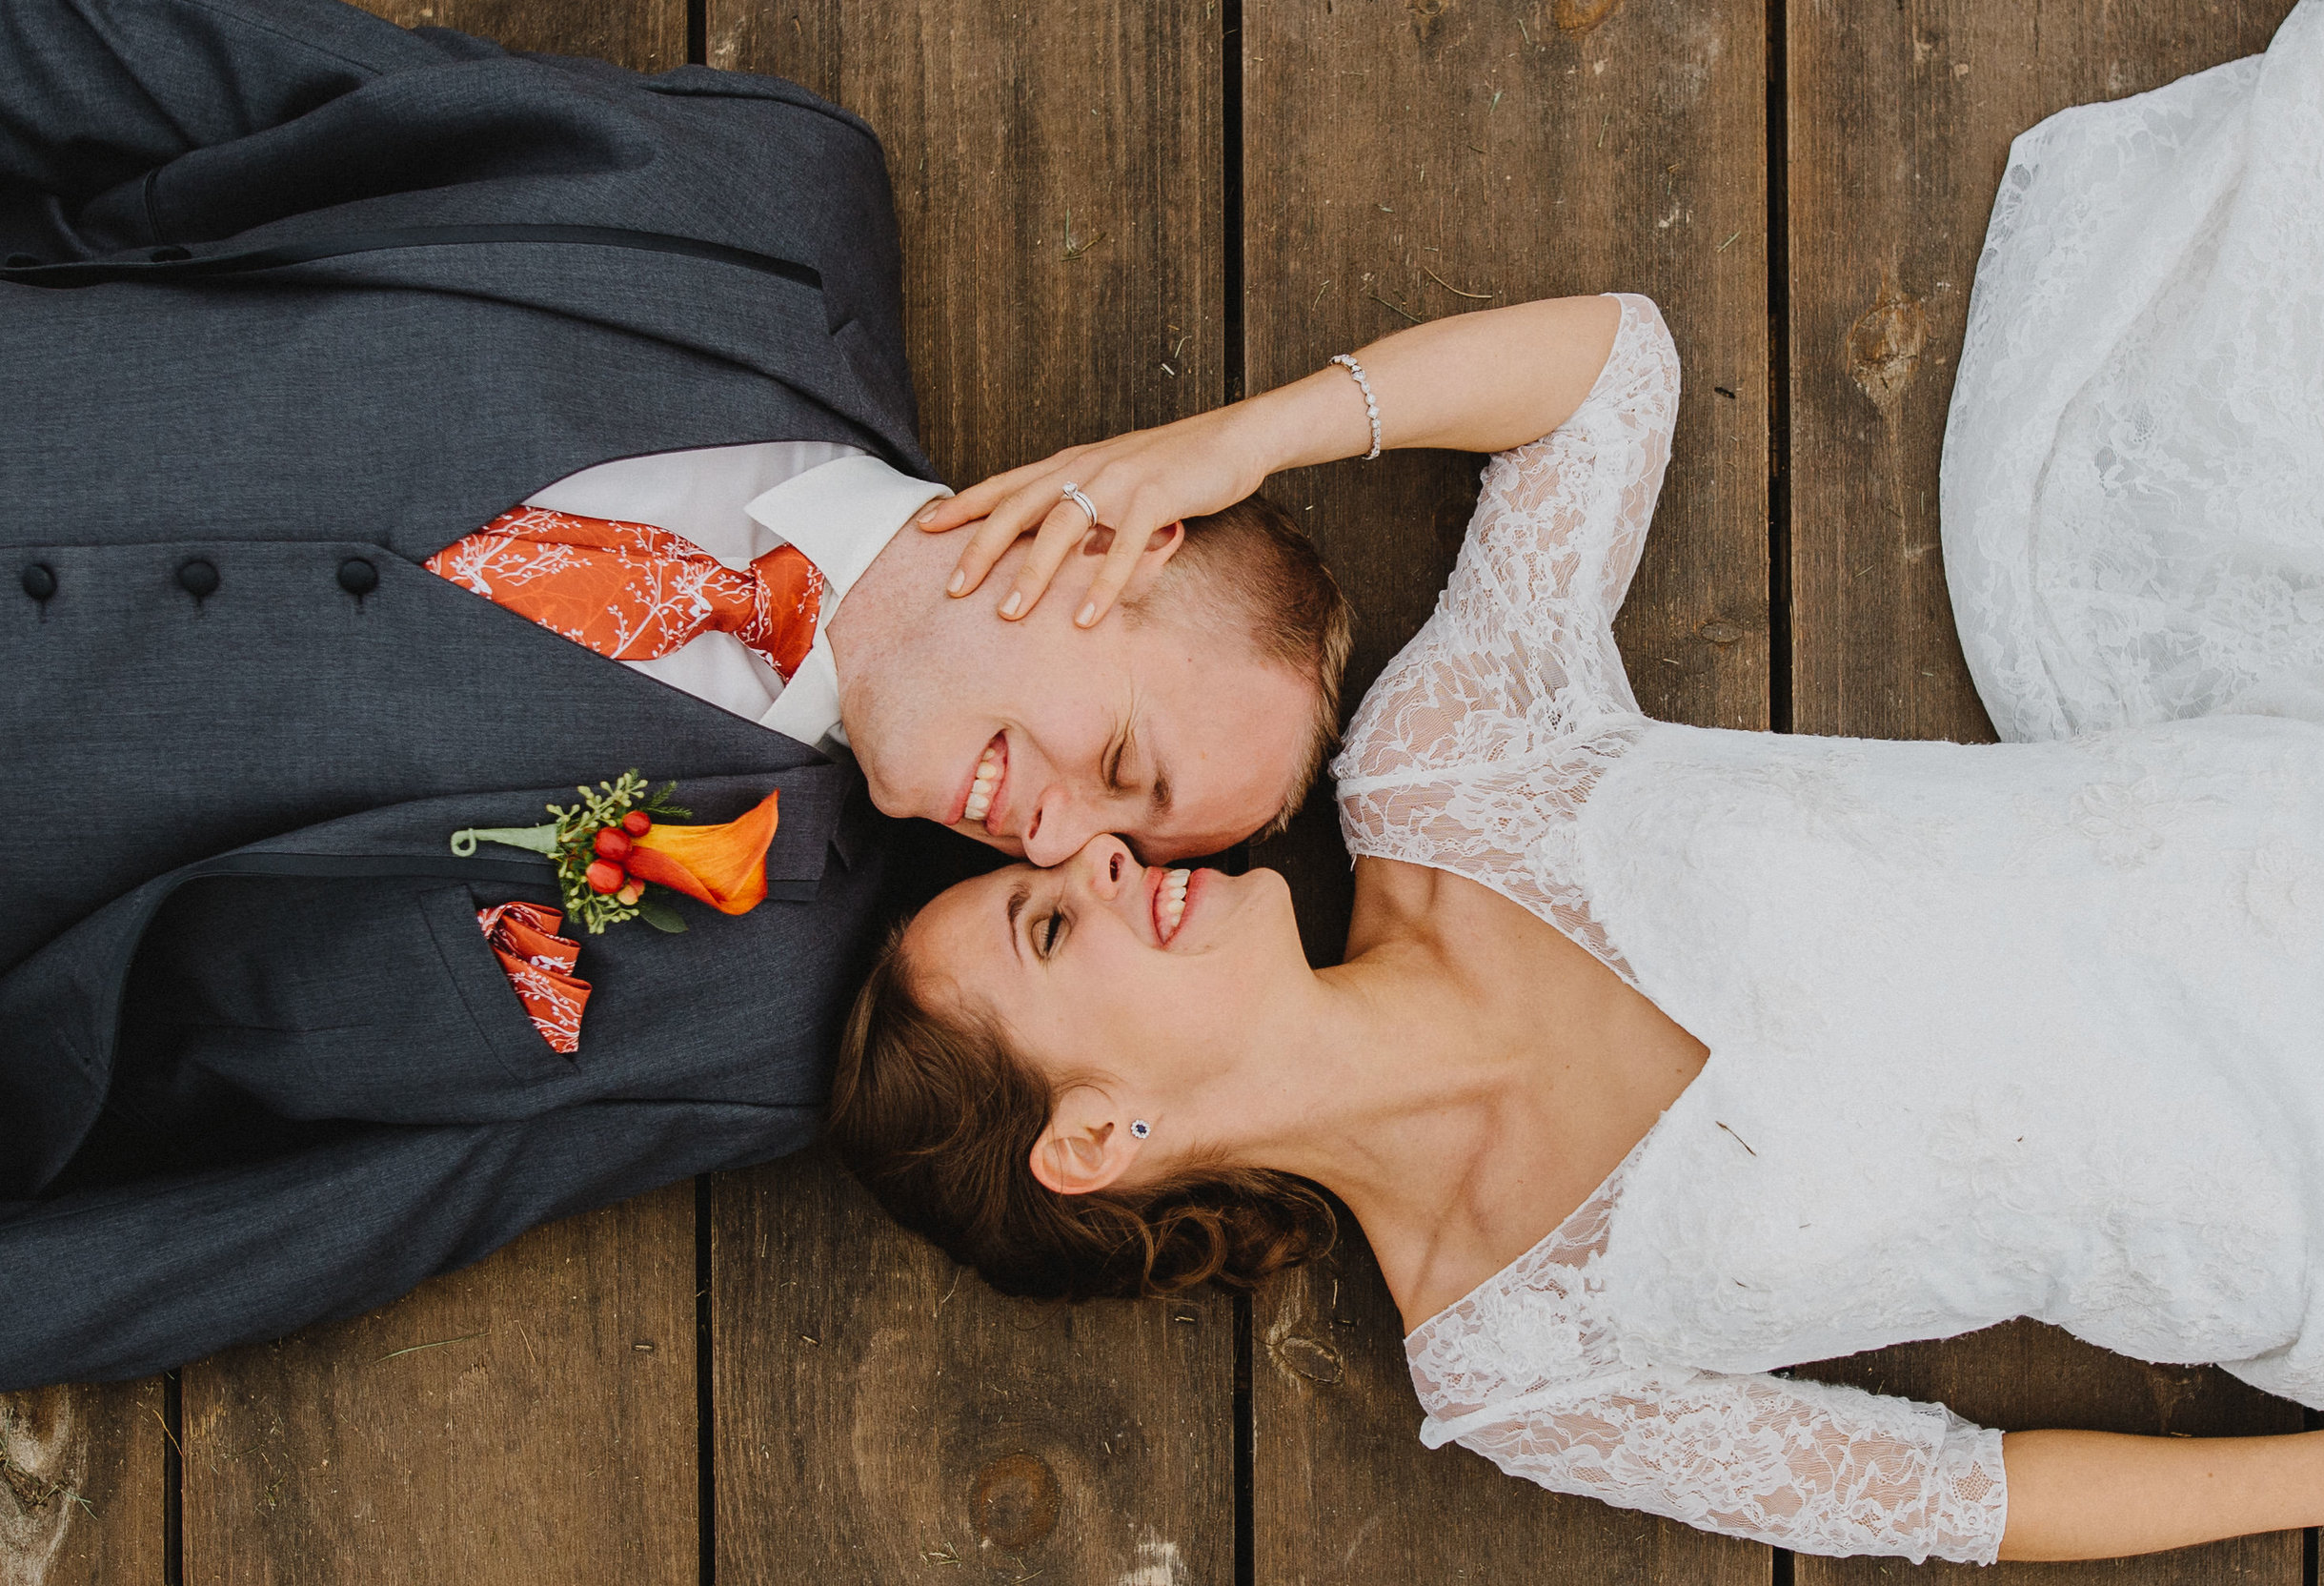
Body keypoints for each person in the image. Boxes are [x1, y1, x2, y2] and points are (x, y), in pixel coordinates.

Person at [834, 0, 2324, 1561]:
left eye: (1074, 848)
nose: (1100, 860)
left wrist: (1233, 448)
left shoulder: (1444, 778)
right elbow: (1952, 1496)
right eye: (1046, 927)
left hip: (2314, 843)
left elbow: (1609, 373)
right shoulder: (1516, 1372)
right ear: (1093, 1140)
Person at [0, 0, 1347, 1391]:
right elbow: (168, 68)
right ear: (1107, 547)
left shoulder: (748, 1019)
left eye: (1135, 847)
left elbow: (292, 1235)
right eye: (1126, 762)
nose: (1067, 844)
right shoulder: (762, 204)